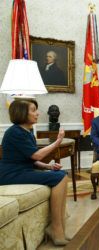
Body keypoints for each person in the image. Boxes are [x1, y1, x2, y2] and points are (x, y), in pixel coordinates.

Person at [0, 99, 69, 246]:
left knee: (62, 175)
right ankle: (55, 228)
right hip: (10, 174)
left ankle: (59, 226)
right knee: (60, 178)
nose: (37, 113)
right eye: (33, 110)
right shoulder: (15, 132)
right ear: (22, 113)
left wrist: (48, 167)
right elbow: (36, 155)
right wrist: (58, 142)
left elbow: (31, 159)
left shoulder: (27, 131)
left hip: (22, 170)